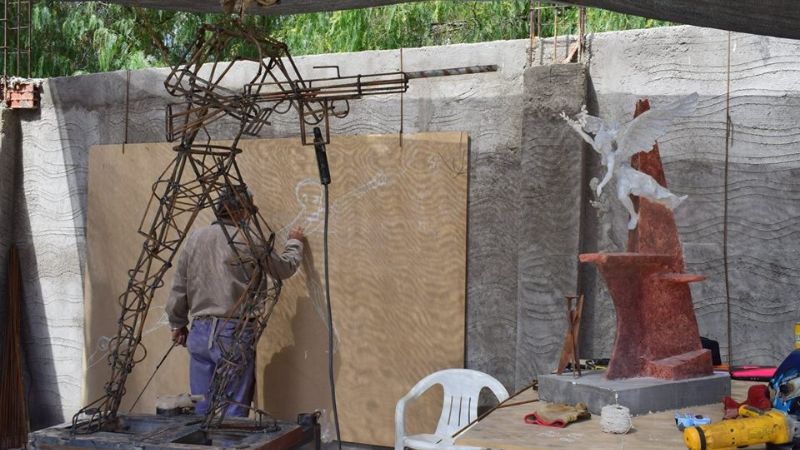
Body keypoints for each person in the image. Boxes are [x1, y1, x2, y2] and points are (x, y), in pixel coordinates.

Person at [166, 185, 304, 416]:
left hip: (199, 333)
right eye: (249, 210)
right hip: (233, 333)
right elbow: (283, 269)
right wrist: (295, 242)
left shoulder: (196, 238)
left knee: (201, 406)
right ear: (239, 211)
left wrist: (177, 324)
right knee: (232, 413)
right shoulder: (248, 239)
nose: (251, 215)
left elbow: (180, 284)